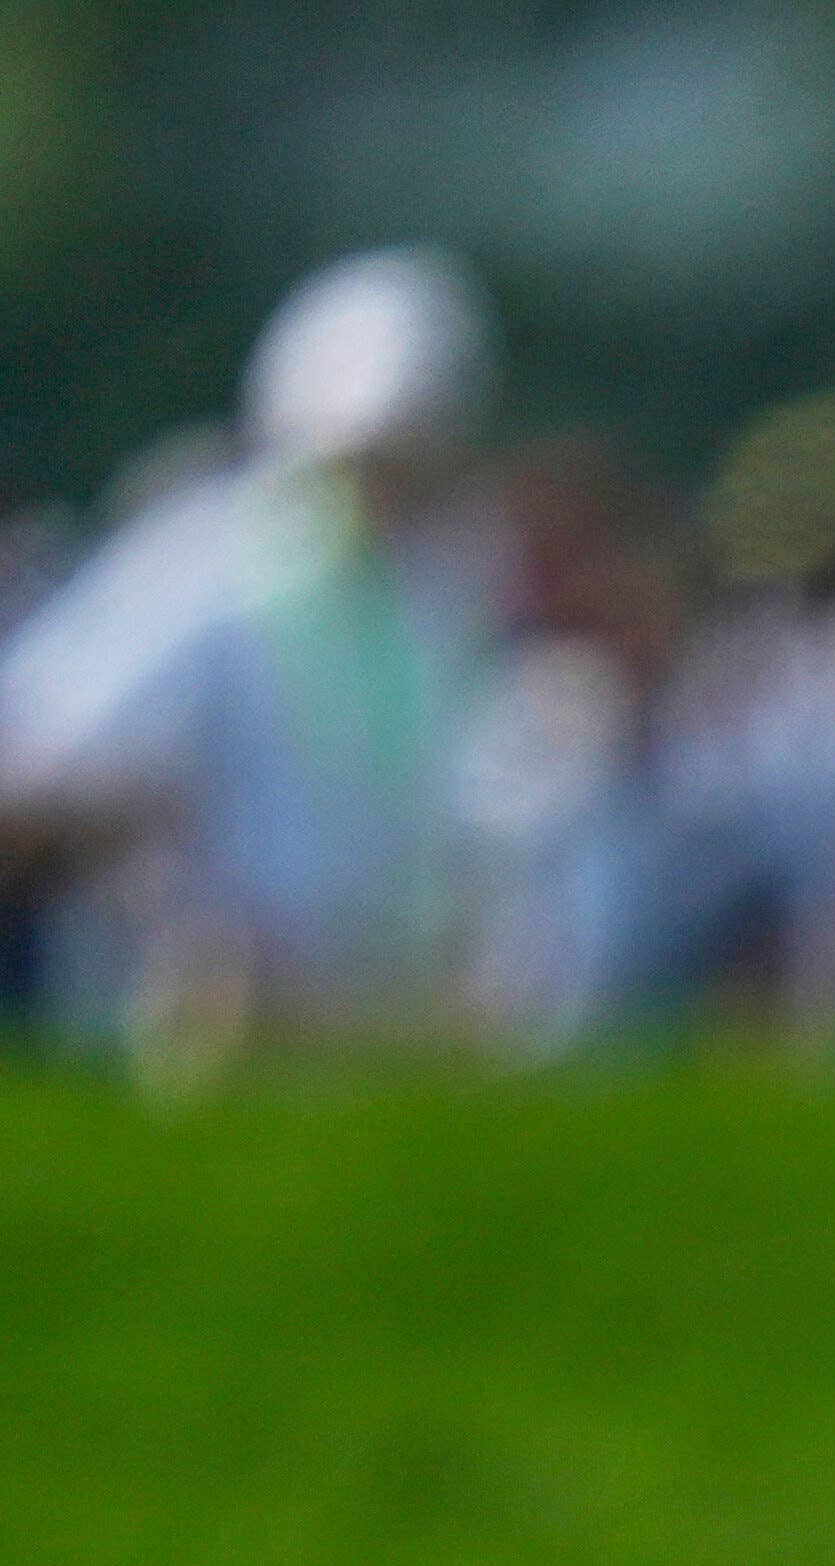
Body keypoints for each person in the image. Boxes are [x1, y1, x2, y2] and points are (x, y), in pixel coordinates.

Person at [0, 247, 509, 1064]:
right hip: (208, 1028)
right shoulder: (205, 564)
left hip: (379, 1027)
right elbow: (47, 761)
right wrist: (170, 901)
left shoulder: (438, 595)